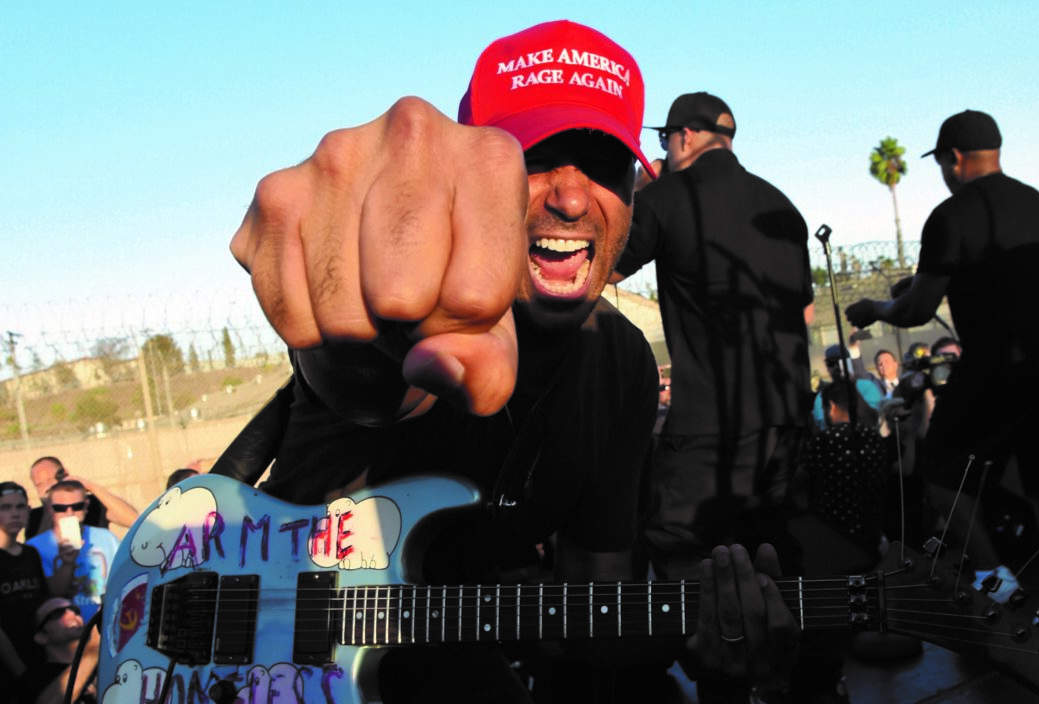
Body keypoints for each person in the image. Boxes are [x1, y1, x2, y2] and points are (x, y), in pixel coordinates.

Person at [225, 21, 800, 703]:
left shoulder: (620, 366)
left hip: (445, 660)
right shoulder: (413, 308)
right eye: (536, 156)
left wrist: (707, 635)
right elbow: (356, 370)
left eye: (603, 163)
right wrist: (353, 297)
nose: (572, 196)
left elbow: (596, 612)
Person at [845, 109, 1039, 631]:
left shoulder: (951, 215)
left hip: (994, 368)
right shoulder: (1037, 202)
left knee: (943, 476)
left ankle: (998, 585)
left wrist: (877, 308)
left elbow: (918, 309)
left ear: (954, 158)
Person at [610, 91, 813, 579]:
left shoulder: (666, 196)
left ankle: (715, 649)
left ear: (684, 136)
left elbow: (605, 270)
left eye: (665, 137)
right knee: (772, 547)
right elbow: (803, 314)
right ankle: (786, 649)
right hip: (788, 414)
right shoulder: (781, 204)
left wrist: (636, 194)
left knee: (677, 543)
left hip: (711, 418)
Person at [27, 480, 120, 625]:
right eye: (60, 508)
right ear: (49, 509)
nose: (69, 512)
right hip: (66, 631)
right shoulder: (34, 548)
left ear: (86, 506)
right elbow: (48, 597)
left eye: (77, 506)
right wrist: (67, 563)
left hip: (109, 623)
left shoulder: (107, 538)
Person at [0, 482, 50, 702]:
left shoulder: (30, 554)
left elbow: (45, 601)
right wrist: (20, 670)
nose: (14, 514)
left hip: (38, 655)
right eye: (5, 507)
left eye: (20, 507)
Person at [25, 457, 139, 539]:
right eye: (39, 484)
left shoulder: (91, 504)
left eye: (50, 480)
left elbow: (133, 520)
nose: (47, 487)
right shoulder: (35, 518)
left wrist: (91, 487)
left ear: (64, 475)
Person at [14, 598, 98, 704]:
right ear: (41, 636)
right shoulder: (32, 679)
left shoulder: (102, 664)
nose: (71, 613)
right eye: (57, 613)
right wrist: (93, 649)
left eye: (75, 610)